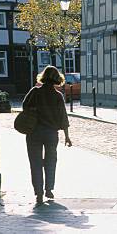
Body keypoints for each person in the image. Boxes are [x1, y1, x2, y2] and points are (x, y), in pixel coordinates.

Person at [22, 65, 72, 204]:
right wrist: (67, 136)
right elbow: (63, 117)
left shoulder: (34, 92)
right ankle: (49, 189)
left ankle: (38, 193)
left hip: (33, 132)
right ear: (57, 79)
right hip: (51, 133)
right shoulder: (57, 96)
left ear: (43, 77)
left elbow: (24, 107)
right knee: (50, 161)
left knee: (35, 163)